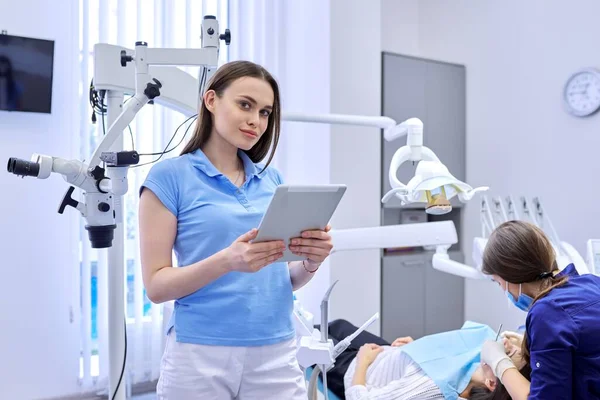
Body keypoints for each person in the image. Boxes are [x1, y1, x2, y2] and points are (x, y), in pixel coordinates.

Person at [138, 60, 334, 400]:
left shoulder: (272, 180)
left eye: (265, 112)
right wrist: (227, 260)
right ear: (211, 101)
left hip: (275, 350)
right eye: (245, 105)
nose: (255, 121)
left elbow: (281, 279)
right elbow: (156, 286)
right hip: (200, 354)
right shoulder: (169, 178)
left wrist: (310, 262)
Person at [479, 220, 600, 400]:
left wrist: (499, 362)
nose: (503, 290)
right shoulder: (591, 282)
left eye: (499, 283)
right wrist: (531, 346)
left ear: (511, 277)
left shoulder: (546, 313)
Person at [318, 319, 527, 400]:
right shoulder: (471, 366)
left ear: (492, 383)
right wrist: (418, 350)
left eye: (506, 355)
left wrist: (363, 361)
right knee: (337, 325)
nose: (506, 345)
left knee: (312, 337)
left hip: (357, 369)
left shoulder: (433, 389)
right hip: (393, 355)